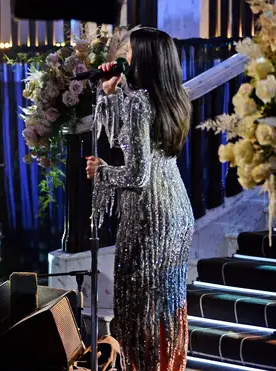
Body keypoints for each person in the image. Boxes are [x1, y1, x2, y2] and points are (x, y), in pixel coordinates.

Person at [85, 27, 194, 371]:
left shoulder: (139, 103)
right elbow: (139, 142)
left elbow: (137, 174)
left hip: (148, 216)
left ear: (144, 57)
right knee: (166, 304)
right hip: (176, 211)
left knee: (138, 310)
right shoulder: (174, 99)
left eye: (129, 52)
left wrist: (101, 171)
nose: (122, 57)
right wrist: (112, 94)